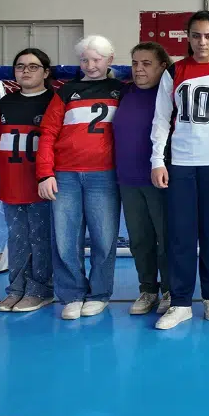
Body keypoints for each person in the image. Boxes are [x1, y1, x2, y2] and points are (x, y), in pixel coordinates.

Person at [151, 12, 209, 329]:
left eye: (208, 35)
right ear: (187, 38)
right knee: (180, 236)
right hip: (180, 165)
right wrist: (157, 161)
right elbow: (162, 120)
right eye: (195, 36)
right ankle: (179, 303)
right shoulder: (174, 71)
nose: (202, 42)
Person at [37, 35, 125, 321]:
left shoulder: (121, 91)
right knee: (65, 238)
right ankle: (72, 294)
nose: (91, 65)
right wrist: (45, 173)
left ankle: (99, 294)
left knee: (104, 237)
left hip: (105, 175)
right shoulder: (65, 92)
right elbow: (48, 133)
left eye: (97, 59)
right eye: (85, 60)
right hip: (66, 175)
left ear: (110, 60)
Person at [0, 48, 57, 313]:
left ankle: (40, 289)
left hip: (42, 182)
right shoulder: (5, 104)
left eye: (33, 66)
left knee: (41, 236)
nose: (26, 71)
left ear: (46, 72)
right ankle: (16, 288)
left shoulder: (54, 101)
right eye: (20, 66)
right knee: (17, 237)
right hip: (11, 180)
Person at [115, 42, 173, 318]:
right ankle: (148, 289)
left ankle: (172, 290)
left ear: (163, 66)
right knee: (139, 239)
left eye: (147, 63)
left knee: (166, 238)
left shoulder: (170, 96)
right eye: (135, 63)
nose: (139, 69)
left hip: (160, 180)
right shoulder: (124, 93)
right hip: (128, 180)